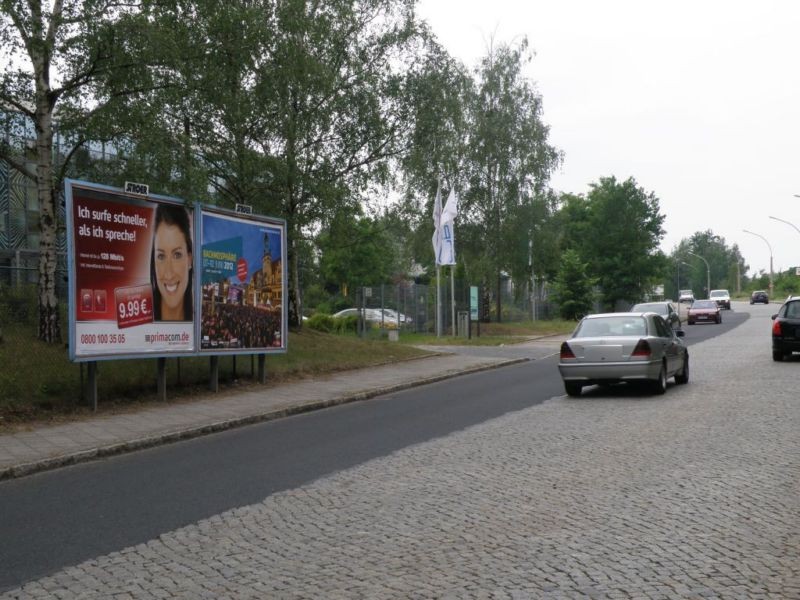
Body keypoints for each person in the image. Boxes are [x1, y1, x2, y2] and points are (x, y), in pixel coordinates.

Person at [150, 203, 193, 321]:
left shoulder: (199, 319)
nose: (169, 274)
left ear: (190, 259)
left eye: (177, 255)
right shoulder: (140, 322)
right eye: (161, 256)